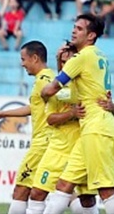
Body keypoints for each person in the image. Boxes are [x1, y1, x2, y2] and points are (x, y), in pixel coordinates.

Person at [41, 13, 114, 214]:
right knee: (64, 185)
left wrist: (42, 91)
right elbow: (80, 92)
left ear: (91, 36)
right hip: (92, 128)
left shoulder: (81, 57)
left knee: (106, 188)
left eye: (79, 29)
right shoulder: (100, 56)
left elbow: (50, 90)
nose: (74, 30)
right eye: (74, 27)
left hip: (96, 128)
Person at [26, 44, 97, 214]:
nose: (65, 67)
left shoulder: (87, 86)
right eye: (62, 62)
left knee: (87, 198)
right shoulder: (58, 89)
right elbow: (50, 118)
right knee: (37, 192)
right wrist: (72, 113)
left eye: (68, 62)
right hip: (58, 148)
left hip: (81, 147)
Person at [0, 40, 54, 214]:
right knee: (65, 191)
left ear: (35, 58)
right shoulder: (46, 78)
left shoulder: (44, 80)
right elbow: (34, 108)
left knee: (21, 190)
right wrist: (2, 114)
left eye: (23, 59)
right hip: (49, 142)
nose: (22, 64)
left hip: (43, 143)